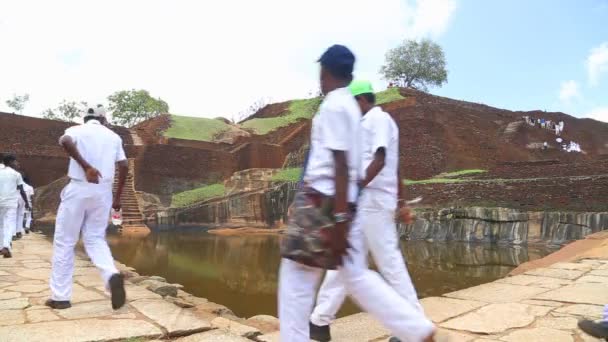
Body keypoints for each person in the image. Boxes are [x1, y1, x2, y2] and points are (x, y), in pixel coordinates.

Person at [278, 45, 435, 342]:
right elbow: (380, 164)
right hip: (349, 201)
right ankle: (414, 328)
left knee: (299, 279)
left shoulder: (350, 111)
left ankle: (413, 324)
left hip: (331, 202)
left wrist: (340, 214)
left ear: (325, 71)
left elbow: (353, 162)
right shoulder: (354, 112)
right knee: (352, 272)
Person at [309, 80, 427, 342]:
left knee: (389, 263)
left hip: (372, 201)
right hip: (367, 202)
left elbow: (382, 159)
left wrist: (356, 186)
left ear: (361, 100)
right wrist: (401, 202)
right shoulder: (364, 126)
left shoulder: (378, 119)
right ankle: (319, 322)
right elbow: (394, 169)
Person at [46, 105, 129, 310]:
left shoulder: (76, 131)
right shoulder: (113, 137)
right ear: (103, 120)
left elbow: (65, 141)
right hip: (103, 192)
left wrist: (86, 167)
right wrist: (117, 198)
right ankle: (110, 275)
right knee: (95, 238)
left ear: (86, 119)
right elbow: (125, 165)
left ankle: (60, 297)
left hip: (79, 188)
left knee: (65, 241)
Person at [0, 154, 30, 258]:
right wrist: (26, 202)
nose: (17, 164)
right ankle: (6, 246)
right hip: (10, 203)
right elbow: (21, 190)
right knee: (9, 225)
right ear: (10, 162)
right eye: (16, 161)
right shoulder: (16, 174)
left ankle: (1, 247)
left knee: (1, 224)